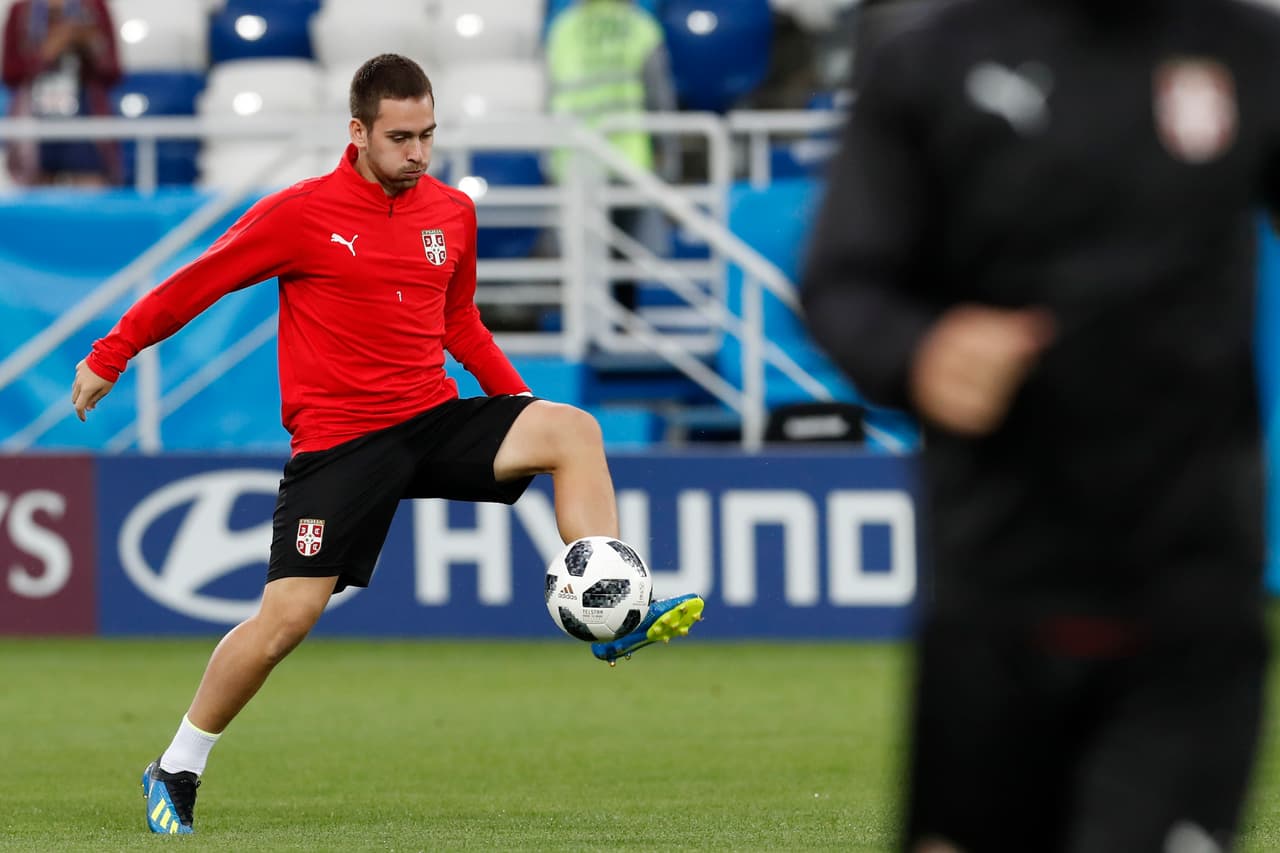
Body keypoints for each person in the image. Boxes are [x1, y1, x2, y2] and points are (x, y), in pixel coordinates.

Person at [69, 54, 704, 836]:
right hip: (341, 443)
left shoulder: (452, 212)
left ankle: (611, 609)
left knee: (572, 429)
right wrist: (112, 354)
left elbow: (459, 323)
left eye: (428, 134)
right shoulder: (300, 213)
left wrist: (517, 402)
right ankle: (176, 764)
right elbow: (199, 281)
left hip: (429, 417)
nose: (418, 152)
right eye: (401, 137)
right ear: (358, 132)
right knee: (286, 620)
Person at [800, 1, 1276, 850]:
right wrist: (921, 350)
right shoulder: (930, 62)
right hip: (999, 598)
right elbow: (844, 282)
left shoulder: (1246, 51)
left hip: (1190, 599)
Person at [544, 0, 678, 312]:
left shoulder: (563, 28)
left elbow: (549, 97)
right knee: (624, 258)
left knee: (584, 259)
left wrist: (550, 159)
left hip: (575, 159)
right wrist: (669, 160)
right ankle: (624, 325)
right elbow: (659, 99)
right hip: (627, 156)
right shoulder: (640, 27)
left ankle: (587, 327)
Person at [2, 0, 121, 186]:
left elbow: (113, 71)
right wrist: (46, 54)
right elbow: (10, 74)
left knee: (91, 184)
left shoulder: (94, 7)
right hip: (35, 118)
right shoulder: (21, 11)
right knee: (36, 190)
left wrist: (88, 45)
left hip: (84, 113)